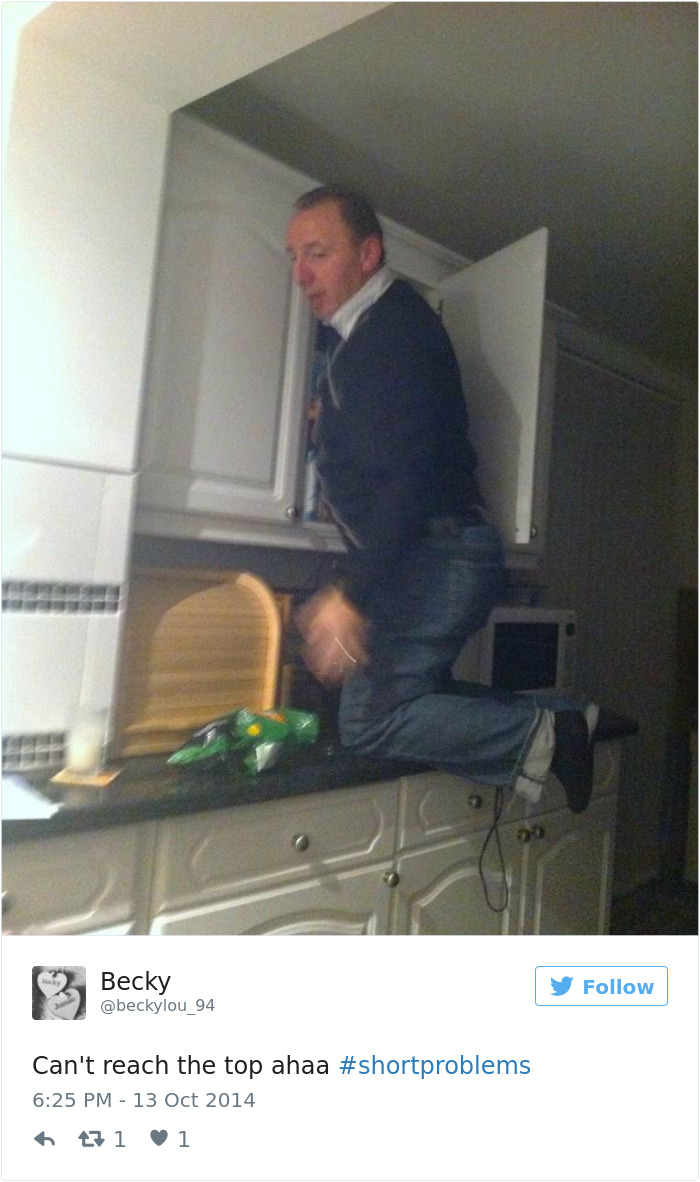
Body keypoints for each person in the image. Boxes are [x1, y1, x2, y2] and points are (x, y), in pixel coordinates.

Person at [287, 186, 596, 812]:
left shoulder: (388, 334)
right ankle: (564, 716)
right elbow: (392, 454)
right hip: (443, 550)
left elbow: (411, 475)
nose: (301, 274)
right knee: (409, 695)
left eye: (315, 253)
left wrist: (351, 594)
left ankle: (546, 733)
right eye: (293, 257)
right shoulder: (368, 338)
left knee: (369, 721)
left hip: (440, 553)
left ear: (368, 253)